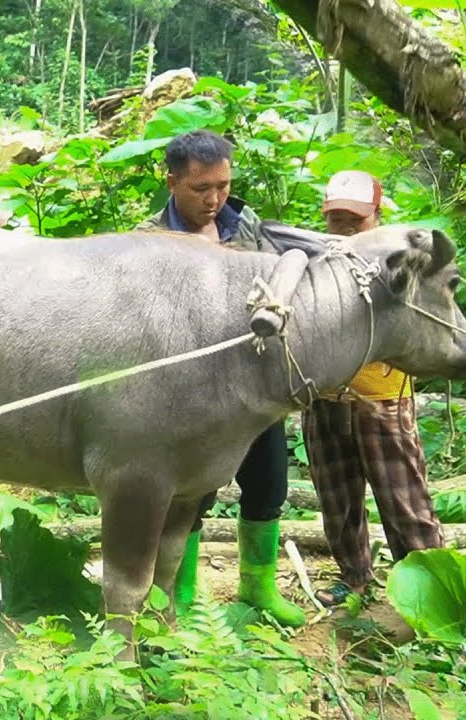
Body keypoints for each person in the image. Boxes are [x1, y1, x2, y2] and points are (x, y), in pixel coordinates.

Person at [139, 129, 305, 627]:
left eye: (223, 186)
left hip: (255, 387)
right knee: (192, 492)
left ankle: (258, 588)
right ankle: (183, 594)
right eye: (200, 189)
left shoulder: (246, 224)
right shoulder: (148, 240)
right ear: (171, 182)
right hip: (191, 397)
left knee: (268, 484)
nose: (214, 199)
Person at [301, 170, 446, 608]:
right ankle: (355, 578)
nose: (344, 228)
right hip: (324, 397)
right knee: (337, 498)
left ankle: (431, 589)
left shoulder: (403, 260)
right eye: (336, 219)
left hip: (381, 398)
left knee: (404, 498)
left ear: (376, 217)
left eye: (355, 220)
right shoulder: (315, 260)